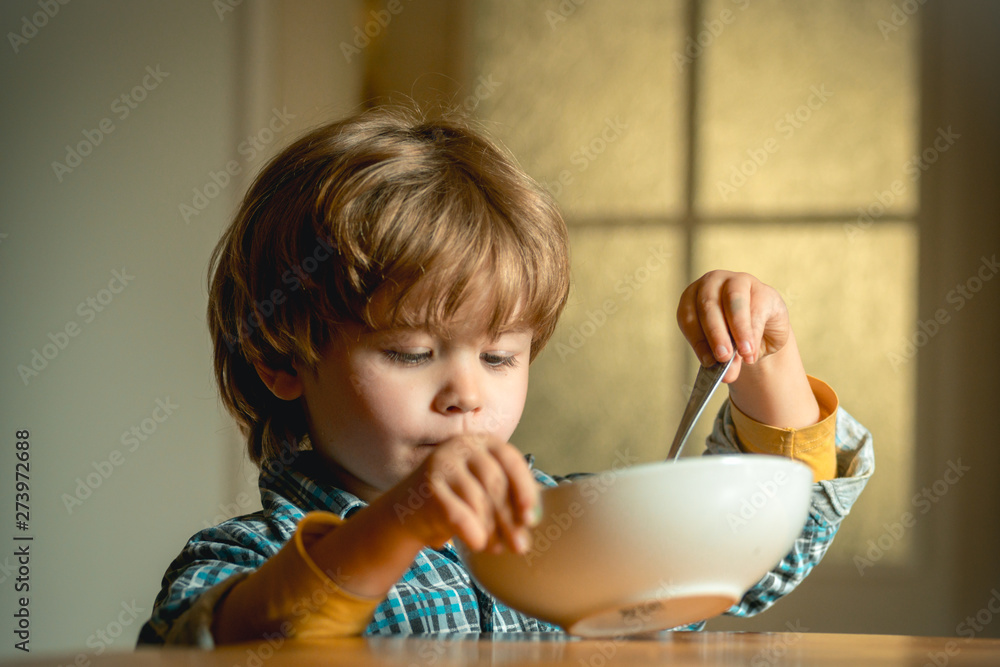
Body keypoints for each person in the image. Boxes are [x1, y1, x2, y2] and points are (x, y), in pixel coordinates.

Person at [138, 106, 873, 646]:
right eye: (411, 353)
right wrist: (394, 525)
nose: (468, 392)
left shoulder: (565, 530)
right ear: (279, 358)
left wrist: (768, 360)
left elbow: (753, 554)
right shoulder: (243, 558)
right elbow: (225, 645)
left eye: (498, 357)